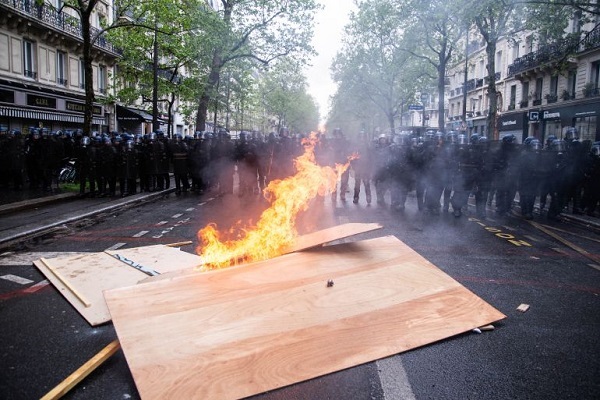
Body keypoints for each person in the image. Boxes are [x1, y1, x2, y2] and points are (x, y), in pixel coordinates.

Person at [351, 131, 373, 205]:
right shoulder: (356, 147)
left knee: (366, 183)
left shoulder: (368, 146)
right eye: (360, 136)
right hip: (358, 168)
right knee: (357, 184)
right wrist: (353, 166)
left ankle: (368, 197)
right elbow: (352, 157)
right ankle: (356, 197)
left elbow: (371, 157)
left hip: (366, 168)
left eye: (363, 136)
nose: (362, 138)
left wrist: (370, 167)